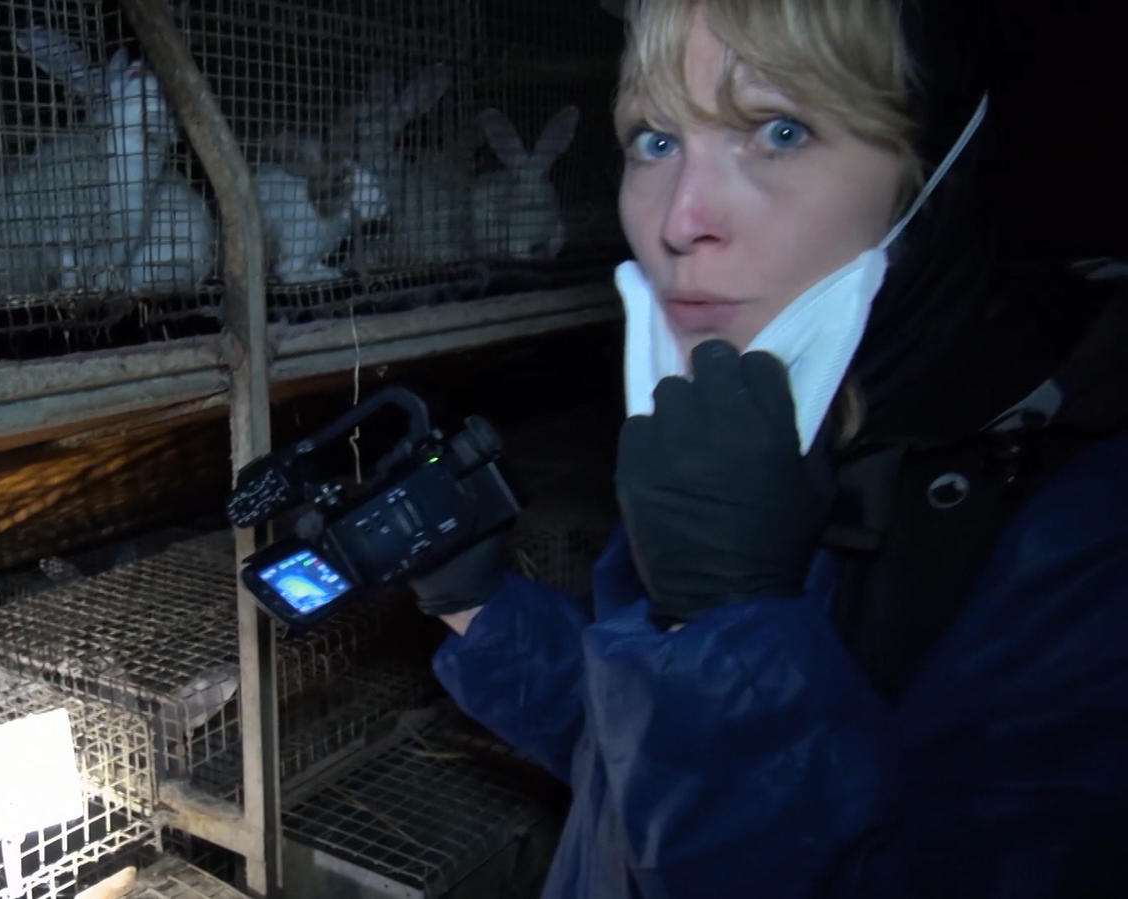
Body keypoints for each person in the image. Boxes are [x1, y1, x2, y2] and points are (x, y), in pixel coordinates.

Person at [409, 1, 1128, 896]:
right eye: (654, 140)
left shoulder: (1079, 537)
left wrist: (729, 629)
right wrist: (478, 605)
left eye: (779, 131)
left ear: (929, 175)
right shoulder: (737, 438)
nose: (681, 220)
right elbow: (632, 764)